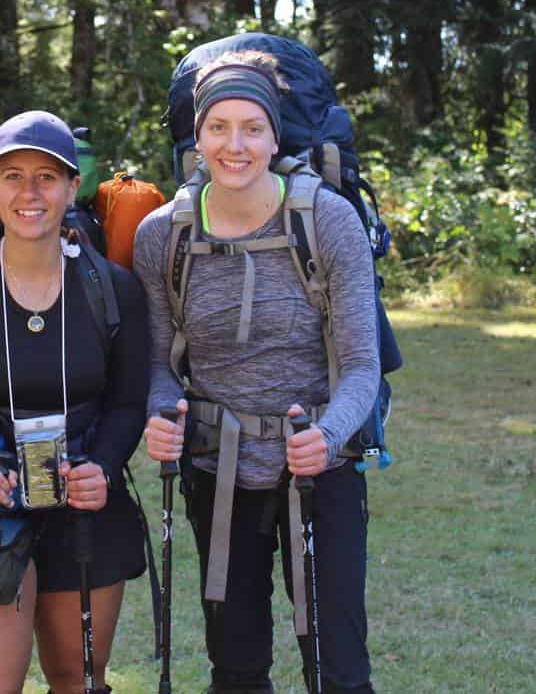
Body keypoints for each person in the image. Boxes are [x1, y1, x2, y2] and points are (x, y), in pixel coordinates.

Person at [134, 51, 381, 694]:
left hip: (320, 468)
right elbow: (159, 364)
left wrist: (326, 438)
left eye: (251, 127)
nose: (235, 145)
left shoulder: (327, 219)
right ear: (197, 136)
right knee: (237, 668)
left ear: (275, 136)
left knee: (338, 670)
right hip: (219, 471)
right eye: (218, 127)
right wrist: (162, 415)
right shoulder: (164, 235)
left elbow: (360, 365)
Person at [0, 110, 149, 694]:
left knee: (79, 677)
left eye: (47, 176)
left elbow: (127, 403)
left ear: (72, 187)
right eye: (13, 176)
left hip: (85, 503)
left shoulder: (113, 291)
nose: (30, 192)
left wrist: (105, 468)